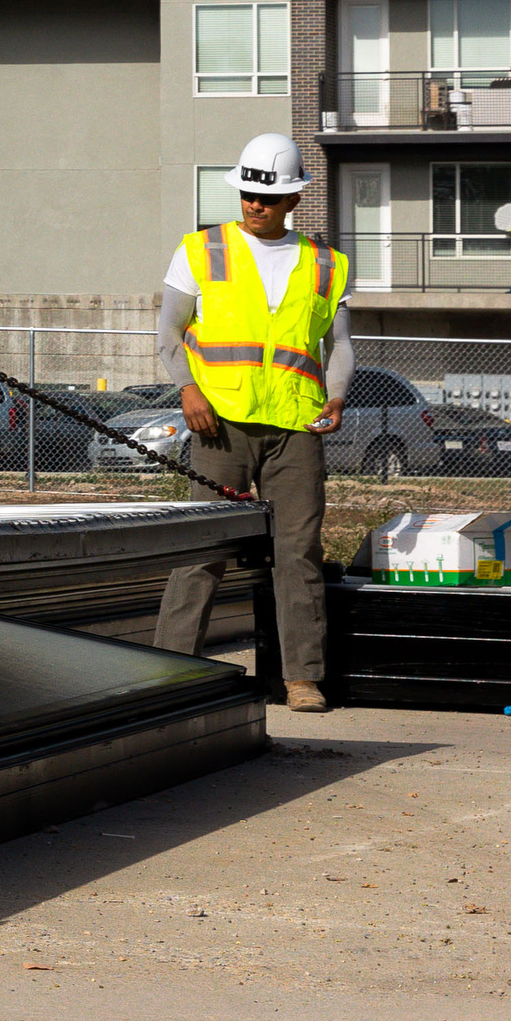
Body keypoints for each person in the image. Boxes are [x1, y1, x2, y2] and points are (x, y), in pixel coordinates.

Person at [152, 133, 353, 714]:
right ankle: (169, 668)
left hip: (297, 429)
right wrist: (187, 389)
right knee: (202, 551)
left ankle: (302, 678)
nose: (254, 204)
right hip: (221, 427)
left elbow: (339, 345)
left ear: (293, 200)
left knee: (298, 552)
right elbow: (168, 335)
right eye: (246, 193)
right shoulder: (199, 250)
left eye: (267, 197)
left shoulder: (325, 263)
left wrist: (336, 396)